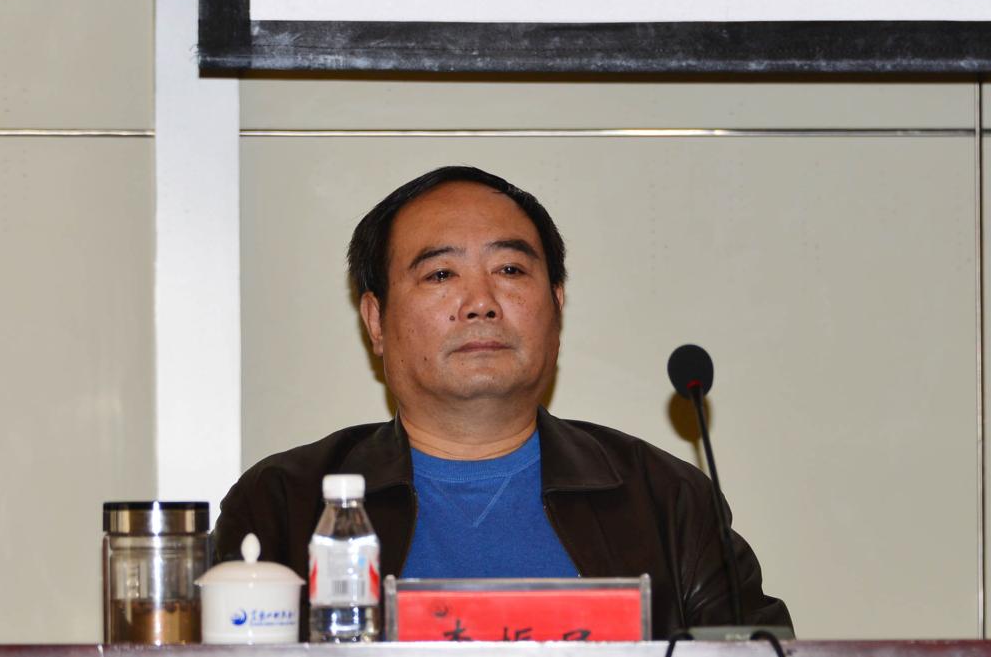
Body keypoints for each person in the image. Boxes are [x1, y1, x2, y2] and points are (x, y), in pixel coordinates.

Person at [213, 166, 792, 638]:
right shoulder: (285, 502)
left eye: (510, 269)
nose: (481, 303)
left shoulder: (666, 499)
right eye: (441, 274)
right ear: (376, 320)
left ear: (556, 306)